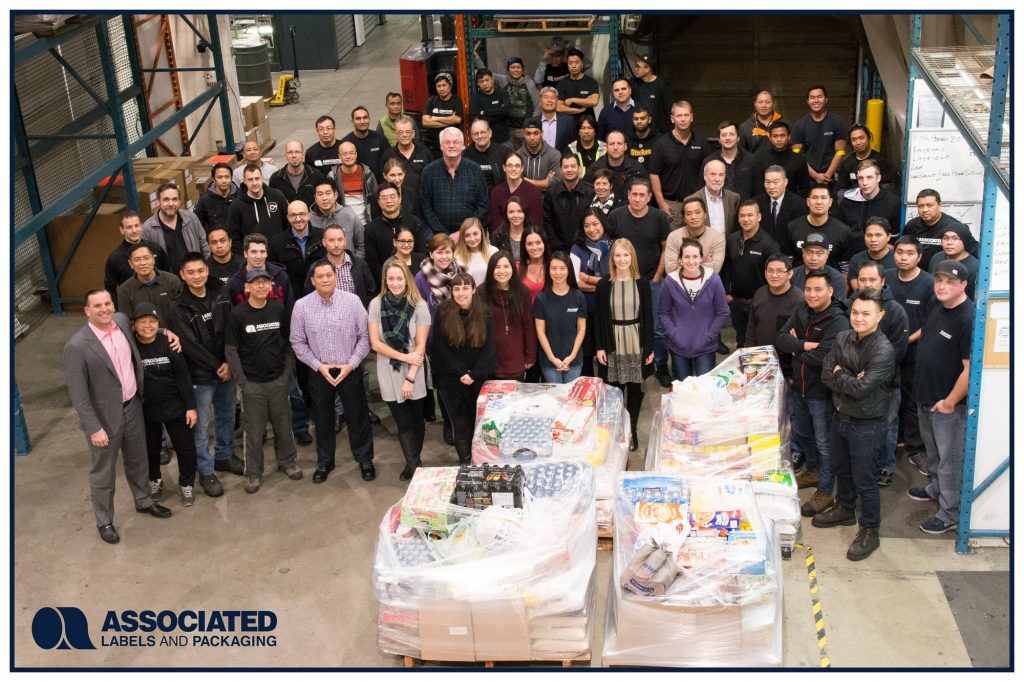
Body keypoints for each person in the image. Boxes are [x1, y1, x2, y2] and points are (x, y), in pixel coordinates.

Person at [64, 290, 173, 544]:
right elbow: (78, 394)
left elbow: (146, 330)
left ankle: (144, 500)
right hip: (103, 419)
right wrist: (94, 428)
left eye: (107, 303)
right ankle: (104, 521)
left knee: (138, 460)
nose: (104, 309)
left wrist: (165, 332)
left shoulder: (122, 322)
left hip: (133, 406)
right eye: (97, 306)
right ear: (87, 311)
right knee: (104, 472)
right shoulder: (77, 346)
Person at [814, 288, 896, 561]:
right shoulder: (843, 337)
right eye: (855, 312)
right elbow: (827, 373)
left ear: (880, 316)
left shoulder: (883, 350)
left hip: (867, 423)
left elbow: (862, 388)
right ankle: (845, 509)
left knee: (865, 480)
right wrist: (845, 375)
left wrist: (842, 373)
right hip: (841, 415)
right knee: (842, 469)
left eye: (866, 314)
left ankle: (870, 529)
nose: (859, 318)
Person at [291, 260, 376, 484]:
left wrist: (352, 363)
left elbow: (365, 337)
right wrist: (318, 366)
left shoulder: (352, 301)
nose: (325, 279)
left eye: (329, 275)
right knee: (323, 418)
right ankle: (325, 462)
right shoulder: (301, 306)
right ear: (313, 280)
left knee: (358, 416)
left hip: (350, 368)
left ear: (335, 276)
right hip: (320, 370)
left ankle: (365, 459)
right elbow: (297, 342)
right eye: (320, 276)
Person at [168, 252, 243, 500]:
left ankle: (224, 456)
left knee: (226, 416)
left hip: (226, 369)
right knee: (200, 428)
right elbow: (189, 345)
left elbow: (232, 327)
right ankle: (206, 470)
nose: (197, 276)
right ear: (182, 275)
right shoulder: (178, 306)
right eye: (191, 272)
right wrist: (217, 365)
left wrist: (228, 362)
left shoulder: (221, 292)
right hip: (200, 376)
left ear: (206, 270)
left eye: (200, 270)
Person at [776, 270, 850, 517]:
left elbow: (824, 357)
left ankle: (826, 490)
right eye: (808, 289)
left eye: (818, 289)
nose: (812, 294)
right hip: (799, 386)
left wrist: (796, 350)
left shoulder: (838, 321)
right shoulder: (801, 309)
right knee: (803, 433)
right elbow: (781, 339)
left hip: (821, 392)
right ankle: (814, 471)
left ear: (830, 291)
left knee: (824, 442)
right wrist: (803, 346)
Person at [907, 260, 974, 535]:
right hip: (926, 397)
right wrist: (907, 340)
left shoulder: (968, 318)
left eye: (949, 282)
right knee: (933, 453)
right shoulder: (938, 305)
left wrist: (949, 403)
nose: (942, 286)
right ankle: (936, 489)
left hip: (947, 406)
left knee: (950, 461)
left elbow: (970, 370)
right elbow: (928, 331)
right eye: (939, 281)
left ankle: (949, 512)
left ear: (964, 285)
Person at [224, 269, 301, 494]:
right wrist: (242, 382)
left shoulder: (278, 309)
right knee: (254, 432)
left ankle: (287, 461)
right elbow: (231, 350)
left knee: (284, 425)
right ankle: (253, 473)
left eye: (264, 282)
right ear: (247, 288)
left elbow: (288, 343)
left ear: (271, 287)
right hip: (252, 384)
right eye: (255, 283)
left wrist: (287, 373)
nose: (260, 286)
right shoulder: (238, 314)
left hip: (278, 380)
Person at [847, 262, 909, 487]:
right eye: (862, 279)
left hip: (887, 384)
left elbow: (899, 349)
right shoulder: (850, 305)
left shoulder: (895, 310)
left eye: (872, 280)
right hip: (854, 383)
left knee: (888, 426)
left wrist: (873, 373)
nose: (866, 284)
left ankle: (885, 466)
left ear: (883, 282)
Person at [131, 302, 199, 508]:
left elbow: (183, 376)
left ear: (158, 323)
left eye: (152, 321)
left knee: (185, 447)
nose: (147, 326)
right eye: (142, 322)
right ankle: (154, 480)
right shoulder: (131, 346)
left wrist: (190, 406)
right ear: (134, 325)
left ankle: (186, 484)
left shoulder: (169, 342)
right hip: (146, 409)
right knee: (150, 449)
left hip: (175, 406)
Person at [369, 258, 430, 480]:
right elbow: (375, 343)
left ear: (407, 279)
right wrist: (404, 356)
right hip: (389, 369)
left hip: (415, 369)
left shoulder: (420, 306)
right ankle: (415, 467)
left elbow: (421, 346)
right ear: (385, 280)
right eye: (391, 278)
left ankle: (414, 463)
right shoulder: (376, 304)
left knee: (417, 421)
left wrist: (411, 378)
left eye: (399, 278)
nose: (395, 283)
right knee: (402, 422)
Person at [606, 178, 672, 386]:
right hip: (622, 282)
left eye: (642, 195)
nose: (637, 199)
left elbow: (665, 247)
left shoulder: (659, 218)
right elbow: (610, 248)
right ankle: (629, 365)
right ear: (628, 195)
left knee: (657, 327)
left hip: (650, 280)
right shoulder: (616, 216)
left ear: (649, 198)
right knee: (625, 326)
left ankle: (660, 366)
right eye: (634, 194)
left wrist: (658, 275)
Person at [594, 238, 654, 451]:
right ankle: (618, 428)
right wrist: (600, 346)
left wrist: (649, 346)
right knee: (615, 389)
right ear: (612, 258)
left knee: (635, 389)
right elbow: (599, 319)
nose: (622, 259)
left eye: (626, 255)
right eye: (618, 255)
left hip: (635, 339)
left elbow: (648, 316)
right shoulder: (603, 285)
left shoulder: (642, 283)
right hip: (613, 341)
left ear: (632, 257)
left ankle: (633, 430)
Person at [430, 273, 495, 464]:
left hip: (479, 376)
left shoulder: (485, 312)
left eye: (465, 288)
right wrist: (461, 373)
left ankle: (481, 460)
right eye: (456, 289)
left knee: (479, 422)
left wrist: (473, 374)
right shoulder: (443, 311)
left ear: (474, 289)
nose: (461, 293)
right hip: (451, 377)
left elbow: (489, 348)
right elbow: (440, 348)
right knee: (460, 423)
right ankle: (465, 462)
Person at [886, 235, 936, 478]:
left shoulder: (928, 283)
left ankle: (915, 448)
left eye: (909, 253)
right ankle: (891, 442)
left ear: (919, 256)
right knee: (887, 399)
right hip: (884, 351)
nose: (903, 257)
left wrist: (906, 340)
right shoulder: (886, 276)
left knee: (912, 402)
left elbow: (931, 321)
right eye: (899, 252)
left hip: (914, 352)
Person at [659, 238, 729, 381]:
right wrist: (674, 334)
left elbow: (722, 312)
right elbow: (663, 312)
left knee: (705, 388)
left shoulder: (713, 280)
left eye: (695, 256)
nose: (691, 261)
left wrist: (709, 336)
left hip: (705, 346)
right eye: (687, 256)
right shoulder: (670, 282)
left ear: (701, 258)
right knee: (683, 389)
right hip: (678, 346)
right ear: (680, 259)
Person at [723, 200, 779, 347]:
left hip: (760, 304)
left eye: (750, 215)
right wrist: (728, 294)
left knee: (759, 343)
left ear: (759, 217)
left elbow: (774, 276)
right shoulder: (732, 239)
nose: (745, 219)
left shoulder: (769, 244)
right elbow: (727, 268)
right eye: (742, 216)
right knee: (741, 342)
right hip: (736, 303)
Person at [479, 250, 537, 380]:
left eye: (506, 266)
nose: (502, 271)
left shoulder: (522, 292)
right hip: (490, 358)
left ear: (513, 268)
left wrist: (530, 355)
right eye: (497, 267)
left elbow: (528, 326)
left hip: (515, 357)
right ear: (491, 269)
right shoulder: (481, 292)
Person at [420, 127, 489, 235]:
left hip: (470, 235)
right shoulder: (429, 171)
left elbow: (483, 205)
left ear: (462, 145)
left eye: (456, 142)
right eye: (447, 142)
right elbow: (426, 207)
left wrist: (464, 232)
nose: (451, 145)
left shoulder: (475, 170)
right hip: (438, 235)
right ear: (441, 146)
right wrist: (443, 233)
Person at [650, 100, 706, 228]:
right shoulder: (661, 144)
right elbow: (653, 174)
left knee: (696, 245)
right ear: (672, 119)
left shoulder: (701, 142)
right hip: (670, 205)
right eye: (679, 116)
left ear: (691, 117)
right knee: (671, 245)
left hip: (696, 204)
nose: (683, 119)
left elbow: (708, 170)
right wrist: (661, 202)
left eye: (686, 115)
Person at [569, 208, 611, 378]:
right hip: (584, 309)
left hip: (609, 310)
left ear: (603, 224)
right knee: (586, 354)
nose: (591, 229)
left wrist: (588, 278)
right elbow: (574, 282)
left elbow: (617, 279)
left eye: (595, 224)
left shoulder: (614, 246)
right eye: (586, 225)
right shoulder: (577, 248)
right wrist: (604, 284)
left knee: (606, 354)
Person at [534, 252, 588, 383]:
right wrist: (552, 358)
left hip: (574, 360)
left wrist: (572, 356)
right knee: (555, 399)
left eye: (562, 268)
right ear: (548, 271)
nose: (558, 272)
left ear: (569, 270)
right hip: (549, 361)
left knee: (571, 398)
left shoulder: (578, 296)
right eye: (554, 268)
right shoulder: (541, 299)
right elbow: (540, 332)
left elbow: (581, 329)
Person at [105, 210, 169, 307]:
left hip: (161, 303)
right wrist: (120, 310)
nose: (134, 230)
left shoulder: (156, 248)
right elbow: (110, 289)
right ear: (122, 230)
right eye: (129, 227)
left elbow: (168, 275)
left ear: (142, 226)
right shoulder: (114, 258)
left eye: (136, 225)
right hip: (133, 308)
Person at [141, 182, 209, 272]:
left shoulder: (191, 219)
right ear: (158, 202)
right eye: (166, 200)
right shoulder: (148, 229)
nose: (171, 203)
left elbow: (204, 246)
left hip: (195, 277)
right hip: (169, 283)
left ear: (180, 202)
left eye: (174, 199)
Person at [365, 182, 426, 280]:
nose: (389, 201)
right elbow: (373, 262)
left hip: (415, 278)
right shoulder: (371, 229)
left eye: (392, 196)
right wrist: (388, 280)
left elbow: (421, 252)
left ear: (400, 198)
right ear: (379, 202)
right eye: (384, 198)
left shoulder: (414, 222)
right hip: (387, 281)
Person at [903, 189, 980, 267]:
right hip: (917, 274)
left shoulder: (953, 226)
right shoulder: (911, 225)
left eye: (929, 205)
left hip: (944, 275)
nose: (925, 210)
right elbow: (903, 249)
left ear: (940, 206)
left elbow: (974, 251)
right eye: (921, 206)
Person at [791, 84, 849, 187]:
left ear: (826, 99)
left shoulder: (837, 122)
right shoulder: (799, 125)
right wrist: (815, 176)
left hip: (830, 179)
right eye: (812, 97)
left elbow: (840, 152)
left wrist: (827, 175)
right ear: (808, 101)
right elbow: (796, 155)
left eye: (819, 97)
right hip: (807, 177)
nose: (816, 100)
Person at [269, 200, 327, 300]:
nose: (298, 219)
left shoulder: (323, 237)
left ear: (308, 215)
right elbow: (274, 275)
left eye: (301, 214)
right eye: (293, 215)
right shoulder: (276, 243)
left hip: (321, 295)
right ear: (288, 218)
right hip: (291, 298)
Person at [787, 184, 852, 271]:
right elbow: (786, 262)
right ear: (808, 201)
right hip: (799, 281)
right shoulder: (792, 227)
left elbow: (846, 268)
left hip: (831, 282)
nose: (819, 202)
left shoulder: (843, 231)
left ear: (830, 202)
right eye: (814, 197)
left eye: (823, 198)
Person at [831, 160, 901, 239]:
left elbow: (894, 236)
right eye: (860, 178)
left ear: (878, 178)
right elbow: (839, 231)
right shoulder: (847, 202)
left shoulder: (892, 202)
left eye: (869, 177)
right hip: (852, 249)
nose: (864, 183)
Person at [226, 165, 289, 252]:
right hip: (253, 257)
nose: (255, 183)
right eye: (250, 180)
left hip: (279, 253)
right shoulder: (236, 205)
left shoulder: (277, 196)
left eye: (257, 178)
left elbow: (288, 223)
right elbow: (234, 237)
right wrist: (246, 255)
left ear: (262, 178)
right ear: (244, 181)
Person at [226, 233, 295, 312]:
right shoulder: (234, 282)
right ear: (245, 254)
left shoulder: (280, 276)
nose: (259, 256)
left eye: (262, 251)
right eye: (254, 252)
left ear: (267, 253)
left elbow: (290, 309)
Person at [544, 153, 595, 253]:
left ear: (579, 168)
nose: (569, 170)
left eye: (573, 166)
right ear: (561, 170)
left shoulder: (591, 192)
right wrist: (557, 247)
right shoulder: (551, 193)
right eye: (565, 167)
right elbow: (547, 223)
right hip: (558, 251)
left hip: (585, 249)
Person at [116, 243, 181, 321]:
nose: (143, 263)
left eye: (146, 258)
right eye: (137, 260)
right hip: (144, 332)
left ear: (153, 259)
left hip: (174, 332)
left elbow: (182, 313)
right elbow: (128, 322)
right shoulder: (124, 290)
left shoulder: (172, 280)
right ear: (131, 264)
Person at [664, 196, 727, 275]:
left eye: (697, 212)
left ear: (705, 215)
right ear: (684, 219)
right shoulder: (674, 237)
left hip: (707, 285)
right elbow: (670, 270)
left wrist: (680, 263)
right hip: (678, 285)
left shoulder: (717, 237)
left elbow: (715, 269)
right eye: (689, 214)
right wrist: (705, 263)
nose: (693, 217)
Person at [488, 150, 544, 232]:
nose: (513, 169)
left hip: (527, 239)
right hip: (502, 240)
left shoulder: (534, 192)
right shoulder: (496, 192)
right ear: (504, 168)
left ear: (522, 168)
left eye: (517, 166)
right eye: (510, 165)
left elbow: (536, 223)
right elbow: (495, 223)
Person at [308, 179, 365, 258]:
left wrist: (353, 264)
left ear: (335, 195)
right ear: (315, 198)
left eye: (328, 193)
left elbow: (361, 246)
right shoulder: (308, 220)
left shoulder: (349, 215)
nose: (324, 198)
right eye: (320, 194)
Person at [755, 165, 806, 252]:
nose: (771, 187)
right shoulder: (756, 203)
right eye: (767, 182)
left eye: (775, 182)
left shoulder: (799, 204)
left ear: (785, 182)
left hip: (789, 254)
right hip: (763, 253)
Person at [834, 124, 895, 195]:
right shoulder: (847, 163)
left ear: (868, 138)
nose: (858, 142)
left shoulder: (881, 161)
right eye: (854, 140)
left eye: (861, 138)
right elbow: (841, 190)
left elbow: (888, 187)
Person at [328, 140, 379, 227]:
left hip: (366, 223)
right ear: (339, 156)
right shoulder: (333, 176)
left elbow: (376, 198)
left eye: (351, 153)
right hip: (342, 224)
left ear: (356, 154)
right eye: (344, 154)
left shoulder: (367, 174)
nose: (348, 156)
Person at [704, 121, 758, 201]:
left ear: (738, 138)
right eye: (724, 135)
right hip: (717, 210)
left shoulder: (751, 160)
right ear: (719, 139)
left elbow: (758, 190)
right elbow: (702, 190)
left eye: (731, 134)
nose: (727, 138)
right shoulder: (709, 161)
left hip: (745, 211)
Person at [379, 116, 434, 194]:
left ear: (413, 134)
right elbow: (382, 182)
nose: (404, 135)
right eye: (401, 132)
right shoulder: (388, 155)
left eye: (408, 132)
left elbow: (432, 179)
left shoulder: (425, 152)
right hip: (397, 203)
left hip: (421, 202)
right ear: (395, 134)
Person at [587, 130, 647, 200]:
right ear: (606, 147)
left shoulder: (637, 170)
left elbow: (645, 196)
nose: (615, 147)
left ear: (625, 147)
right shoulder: (595, 169)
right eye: (612, 144)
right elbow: (587, 196)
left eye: (619, 143)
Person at [494, 56, 538, 150]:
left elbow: (538, 106)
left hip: (525, 129)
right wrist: (476, 57)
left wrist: (531, 125)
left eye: (518, 67)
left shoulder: (529, 83)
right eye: (512, 67)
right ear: (508, 70)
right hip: (508, 130)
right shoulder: (503, 81)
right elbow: (487, 74)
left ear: (522, 69)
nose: (516, 70)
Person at [686, 158, 740, 235]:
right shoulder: (691, 200)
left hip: (727, 245)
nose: (717, 179)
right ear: (705, 176)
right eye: (713, 174)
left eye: (721, 175)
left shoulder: (734, 198)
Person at [754, 121, 808, 197]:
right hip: (766, 203)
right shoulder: (760, 158)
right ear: (770, 137)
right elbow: (757, 187)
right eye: (775, 136)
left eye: (782, 135)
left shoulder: (799, 159)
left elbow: (804, 188)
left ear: (789, 137)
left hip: (793, 203)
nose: (779, 139)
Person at [269, 140, 327, 207]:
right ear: (285, 156)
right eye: (290, 152)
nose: (294, 155)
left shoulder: (316, 176)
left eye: (297, 152)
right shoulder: (276, 179)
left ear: (302, 155)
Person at [928, 223, 979, 300]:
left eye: (955, 239)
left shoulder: (974, 267)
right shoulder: (937, 257)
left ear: (965, 241)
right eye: (945, 238)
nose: (949, 243)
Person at [846, 217, 896, 291]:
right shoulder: (856, 260)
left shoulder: (897, 259)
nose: (873, 240)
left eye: (878, 235)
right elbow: (858, 290)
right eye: (869, 235)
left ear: (888, 236)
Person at [421, 72, 464, 156]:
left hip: (450, 145)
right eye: (438, 86)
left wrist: (436, 118)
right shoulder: (431, 100)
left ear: (450, 85)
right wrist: (449, 122)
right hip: (431, 144)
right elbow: (425, 122)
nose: (441, 88)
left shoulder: (456, 100)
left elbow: (457, 119)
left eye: (444, 85)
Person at [629, 54, 673, 134]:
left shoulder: (662, 85)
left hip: (658, 132)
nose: (635, 69)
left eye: (638, 66)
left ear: (647, 69)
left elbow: (669, 110)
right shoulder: (633, 83)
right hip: (639, 131)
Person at [556, 48, 600, 127]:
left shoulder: (591, 82)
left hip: (587, 125)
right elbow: (559, 107)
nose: (573, 66)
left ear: (582, 64)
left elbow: (594, 101)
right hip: (568, 125)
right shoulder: (562, 84)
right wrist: (579, 109)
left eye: (577, 62)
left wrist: (572, 100)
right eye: (570, 63)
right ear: (567, 65)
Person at [462, 119, 508, 193]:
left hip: (498, 196)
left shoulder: (504, 152)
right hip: (474, 197)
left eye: (483, 132)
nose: (480, 136)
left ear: (490, 133)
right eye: (476, 133)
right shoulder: (465, 155)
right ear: (472, 137)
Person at [517, 117, 562, 192]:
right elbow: (516, 182)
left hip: (547, 200)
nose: (532, 138)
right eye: (528, 133)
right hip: (524, 199)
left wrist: (526, 181)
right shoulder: (517, 156)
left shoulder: (555, 155)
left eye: (536, 133)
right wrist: (545, 184)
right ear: (523, 134)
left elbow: (557, 181)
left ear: (542, 133)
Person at [342, 105, 387, 178]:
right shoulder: (346, 142)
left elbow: (388, 160)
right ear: (352, 121)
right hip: (357, 184)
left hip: (379, 184)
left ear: (369, 119)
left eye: (365, 118)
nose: (362, 121)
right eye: (358, 119)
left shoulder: (379, 137)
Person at [470, 68, 511, 145]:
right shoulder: (475, 98)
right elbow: (475, 117)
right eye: (481, 81)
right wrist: (499, 115)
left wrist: (484, 112)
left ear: (492, 80)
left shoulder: (503, 94)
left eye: (487, 80)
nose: (485, 84)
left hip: (504, 139)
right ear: (478, 83)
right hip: (484, 141)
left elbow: (506, 110)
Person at [453, 217, 498, 285]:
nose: (472, 239)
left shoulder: (493, 251)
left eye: (475, 234)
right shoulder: (456, 256)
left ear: (481, 233)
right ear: (463, 237)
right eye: (467, 235)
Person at [194, 162, 238, 230]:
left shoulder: (240, 197)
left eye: (227, 177)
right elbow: (198, 227)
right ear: (214, 179)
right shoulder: (205, 200)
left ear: (231, 178)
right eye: (220, 177)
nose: (224, 181)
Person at [378, 157, 424, 222]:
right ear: (385, 176)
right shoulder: (377, 195)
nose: (397, 179)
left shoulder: (411, 192)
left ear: (404, 174)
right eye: (392, 175)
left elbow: (418, 219)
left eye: (400, 174)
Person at [536, 86, 575, 153]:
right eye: (546, 97)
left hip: (562, 161)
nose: (549, 100)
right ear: (540, 101)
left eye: (552, 98)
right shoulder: (534, 121)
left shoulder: (568, 121)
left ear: (557, 101)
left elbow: (573, 144)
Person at [517, 225, 549, 304]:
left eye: (538, 243)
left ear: (544, 243)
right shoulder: (516, 267)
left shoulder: (554, 266)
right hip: (524, 314)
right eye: (530, 244)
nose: (534, 247)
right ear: (524, 246)